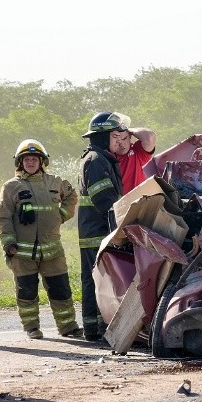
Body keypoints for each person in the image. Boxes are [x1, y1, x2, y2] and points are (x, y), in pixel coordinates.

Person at [0, 139, 83, 340]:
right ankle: (32, 327)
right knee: (27, 292)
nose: (31, 162)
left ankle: (68, 327)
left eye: (35, 159)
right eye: (27, 159)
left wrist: (59, 216)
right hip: (22, 253)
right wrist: (9, 244)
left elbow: (72, 197)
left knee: (61, 289)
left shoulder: (55, 182)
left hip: (52, 250)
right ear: (20, 162)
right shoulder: (11, 187)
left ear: (42, 161)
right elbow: (3, 217)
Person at [78, 112, 125, 341]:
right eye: (115, 136)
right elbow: (105, 199)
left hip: (99, 232)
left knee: (97, 280)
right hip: (97, 233)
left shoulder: (101, 158)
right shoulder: (96, 160)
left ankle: (96, 328)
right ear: (103, 137)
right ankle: (93, 330)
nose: (119, 140)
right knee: (95, 280)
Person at [106, 113, 156, 194]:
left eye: (124, 138)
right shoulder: (106, 157)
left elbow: (149, 137)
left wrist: (127, 129)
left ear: (130, 136)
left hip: (141, 201)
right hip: (118, 204)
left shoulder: (137, 151)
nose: (122, 144)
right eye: (117, 140)